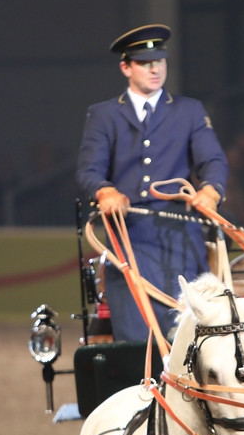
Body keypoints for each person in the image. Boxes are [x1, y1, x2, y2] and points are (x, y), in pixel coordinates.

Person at [76, 24, 229, 342]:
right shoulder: (104, 115)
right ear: (125, 67)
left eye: (160, 61)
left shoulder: (189, 111)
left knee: (190, 331)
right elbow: (89, 169)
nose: (155, 69)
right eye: (145, 63)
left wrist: (211, 190)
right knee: (135, 334)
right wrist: (105, 190)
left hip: (180, 233)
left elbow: (212, 160)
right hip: (127, 232)